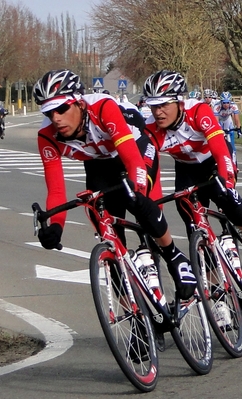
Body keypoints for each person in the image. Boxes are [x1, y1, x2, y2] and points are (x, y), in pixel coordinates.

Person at [32, 69, 196, 300]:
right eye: (49, 112)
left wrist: (137, 192)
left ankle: (175, 258)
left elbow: (133, 162)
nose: (56, 118)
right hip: (98, 164)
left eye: (61, 109)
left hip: (134, 148)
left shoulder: (102, 108)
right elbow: (57, 189)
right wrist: (56, 227)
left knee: (137, 199)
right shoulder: (47, 136)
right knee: (106, 229)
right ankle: (135, 319)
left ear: (79, 103)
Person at [142, 70, 242, 281]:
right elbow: (148, 167)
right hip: (186, 168)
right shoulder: (151, 128)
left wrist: (227, 181)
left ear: (180, 103)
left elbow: (221, 151)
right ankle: (216, 293)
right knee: (190, 218)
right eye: (153, 106)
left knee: (225, 195)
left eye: (164, 105)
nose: (158, 112)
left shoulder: (199, 112)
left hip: (214, 159)